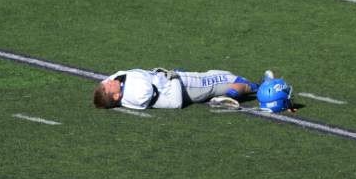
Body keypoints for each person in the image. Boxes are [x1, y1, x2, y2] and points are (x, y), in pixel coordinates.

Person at [92, 67, 264, 110]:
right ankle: (256, 87)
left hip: (176, 85)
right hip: (180, 87)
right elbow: (147, 83)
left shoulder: (122, 92)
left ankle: (237, 91)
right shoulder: (134, 93)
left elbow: (118, 75)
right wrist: (169, 74)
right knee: (225, 77)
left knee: (214, 76)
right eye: (107, 87)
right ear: (115, 96)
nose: (108, 82)